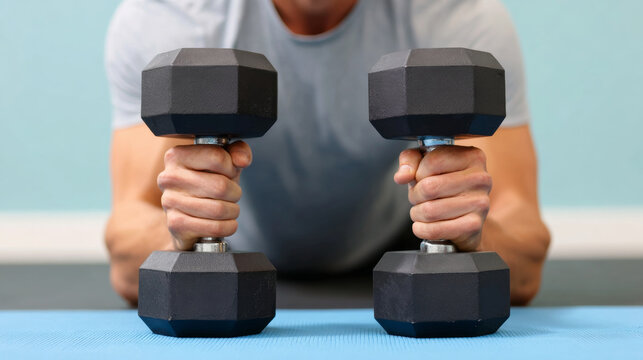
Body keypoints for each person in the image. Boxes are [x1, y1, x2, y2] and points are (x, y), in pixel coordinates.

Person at [105, 0, 550, 306]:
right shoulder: (172, 18)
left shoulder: (456, 19)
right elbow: (128, 255)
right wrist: (177, 240)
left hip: (396, 245)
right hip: (225, 253)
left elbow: (525, 258)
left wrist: (472, 233)